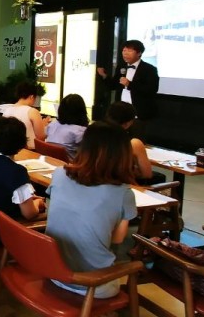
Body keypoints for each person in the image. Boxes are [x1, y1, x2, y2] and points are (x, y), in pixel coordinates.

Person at [45, 122, 138, 299]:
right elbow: (117, 239)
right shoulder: (124, 193)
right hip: (93, 284)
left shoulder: (59, 174)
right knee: (131, 250)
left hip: (54, 273)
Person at [97, 39, 159, 137]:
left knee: (136, 139)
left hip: (138, 113)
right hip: (121, 112)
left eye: (129, 51)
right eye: (124, 50)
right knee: (118, 139)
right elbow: (114, 85)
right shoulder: (122, 67)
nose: (125, 53)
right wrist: (104, 76)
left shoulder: (149, 69)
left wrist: (129, 84)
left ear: (139, 53)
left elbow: (151, 90)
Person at [106, 101, 164, 185]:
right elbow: (147, 174)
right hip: (124, 186)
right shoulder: (134, 143)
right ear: (128, 123)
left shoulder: (95, 137)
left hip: (98, 183)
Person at [1, 82, 48, 150]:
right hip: (30, 150)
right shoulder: (32, 112)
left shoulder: (7, 110)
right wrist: (44, 126)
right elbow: (41, 138)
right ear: (31, 97)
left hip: (10, 149)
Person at [45, 94, 89, 161]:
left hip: (49, 162)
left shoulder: (52, 125)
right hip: (70, 165)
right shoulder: (80, 131)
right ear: (82, 112)